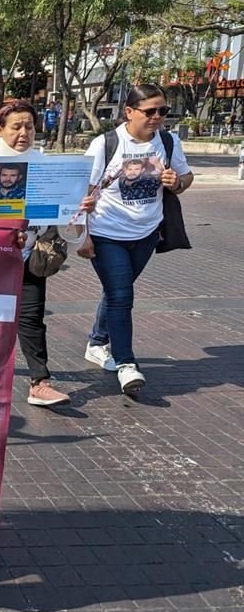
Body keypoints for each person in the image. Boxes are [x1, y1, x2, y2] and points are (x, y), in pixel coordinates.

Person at [0, 100, 94, 408]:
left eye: (29, 126)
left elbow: (66, 217)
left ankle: (40, 383)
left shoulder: (47, 165)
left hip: (29, 256)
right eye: (16, 126)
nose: (24, 132)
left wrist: (80, 211)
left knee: (31, 318)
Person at [79, 84, 193, 394]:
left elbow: (186, 177)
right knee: (121, 296)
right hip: (107, 233)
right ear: (129, 112)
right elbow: (85, 191)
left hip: (146, 233)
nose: (158, 117)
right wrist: (83, 236)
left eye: (163, 111)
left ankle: (97, 341)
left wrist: (177, 182)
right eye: (150, 111)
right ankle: (127, 364)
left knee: (118, 291)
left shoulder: (168, 142)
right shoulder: (105, 144)